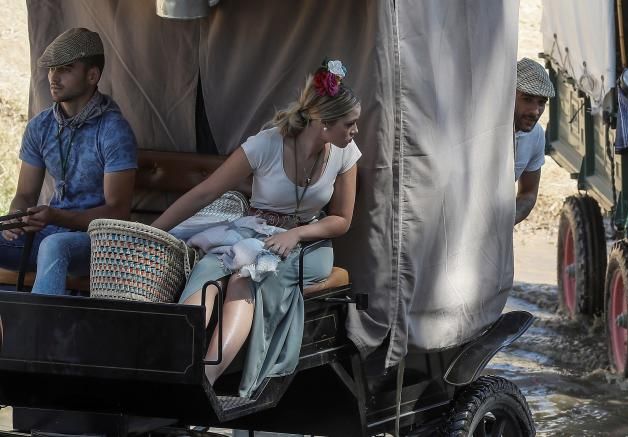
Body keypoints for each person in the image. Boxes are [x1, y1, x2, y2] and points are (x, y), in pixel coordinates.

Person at [151, 59, 360, 396]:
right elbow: (206, 191)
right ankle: (167, 369)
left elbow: (342, 220)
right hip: (255, 231)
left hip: (309, 242)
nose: (354, 131)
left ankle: (204, 383)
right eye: (350, 123)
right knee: (209, 276)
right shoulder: (267, 144)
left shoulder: (344, 152)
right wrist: (155, 232)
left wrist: (297, 233)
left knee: (244, 278)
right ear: (323, 123)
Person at [0, 28, 137, 295]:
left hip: (96, 243)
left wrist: (56, 216)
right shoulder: (40, 127)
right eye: (52, 69)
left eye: (65, 69)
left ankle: (40, 332)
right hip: (47, 236)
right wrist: (17, 219)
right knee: (50, 243)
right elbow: (25, 195)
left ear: (92, 75)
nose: (53, 77)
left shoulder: (113, 131)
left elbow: (118, 213)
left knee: (55, 245)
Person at [514, 58, 555, 224]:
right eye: (527, 99)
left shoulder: (536, 135)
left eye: (541, 103)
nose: (535, 111)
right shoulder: (482, 130)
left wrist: (506, 221)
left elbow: (528, 194)